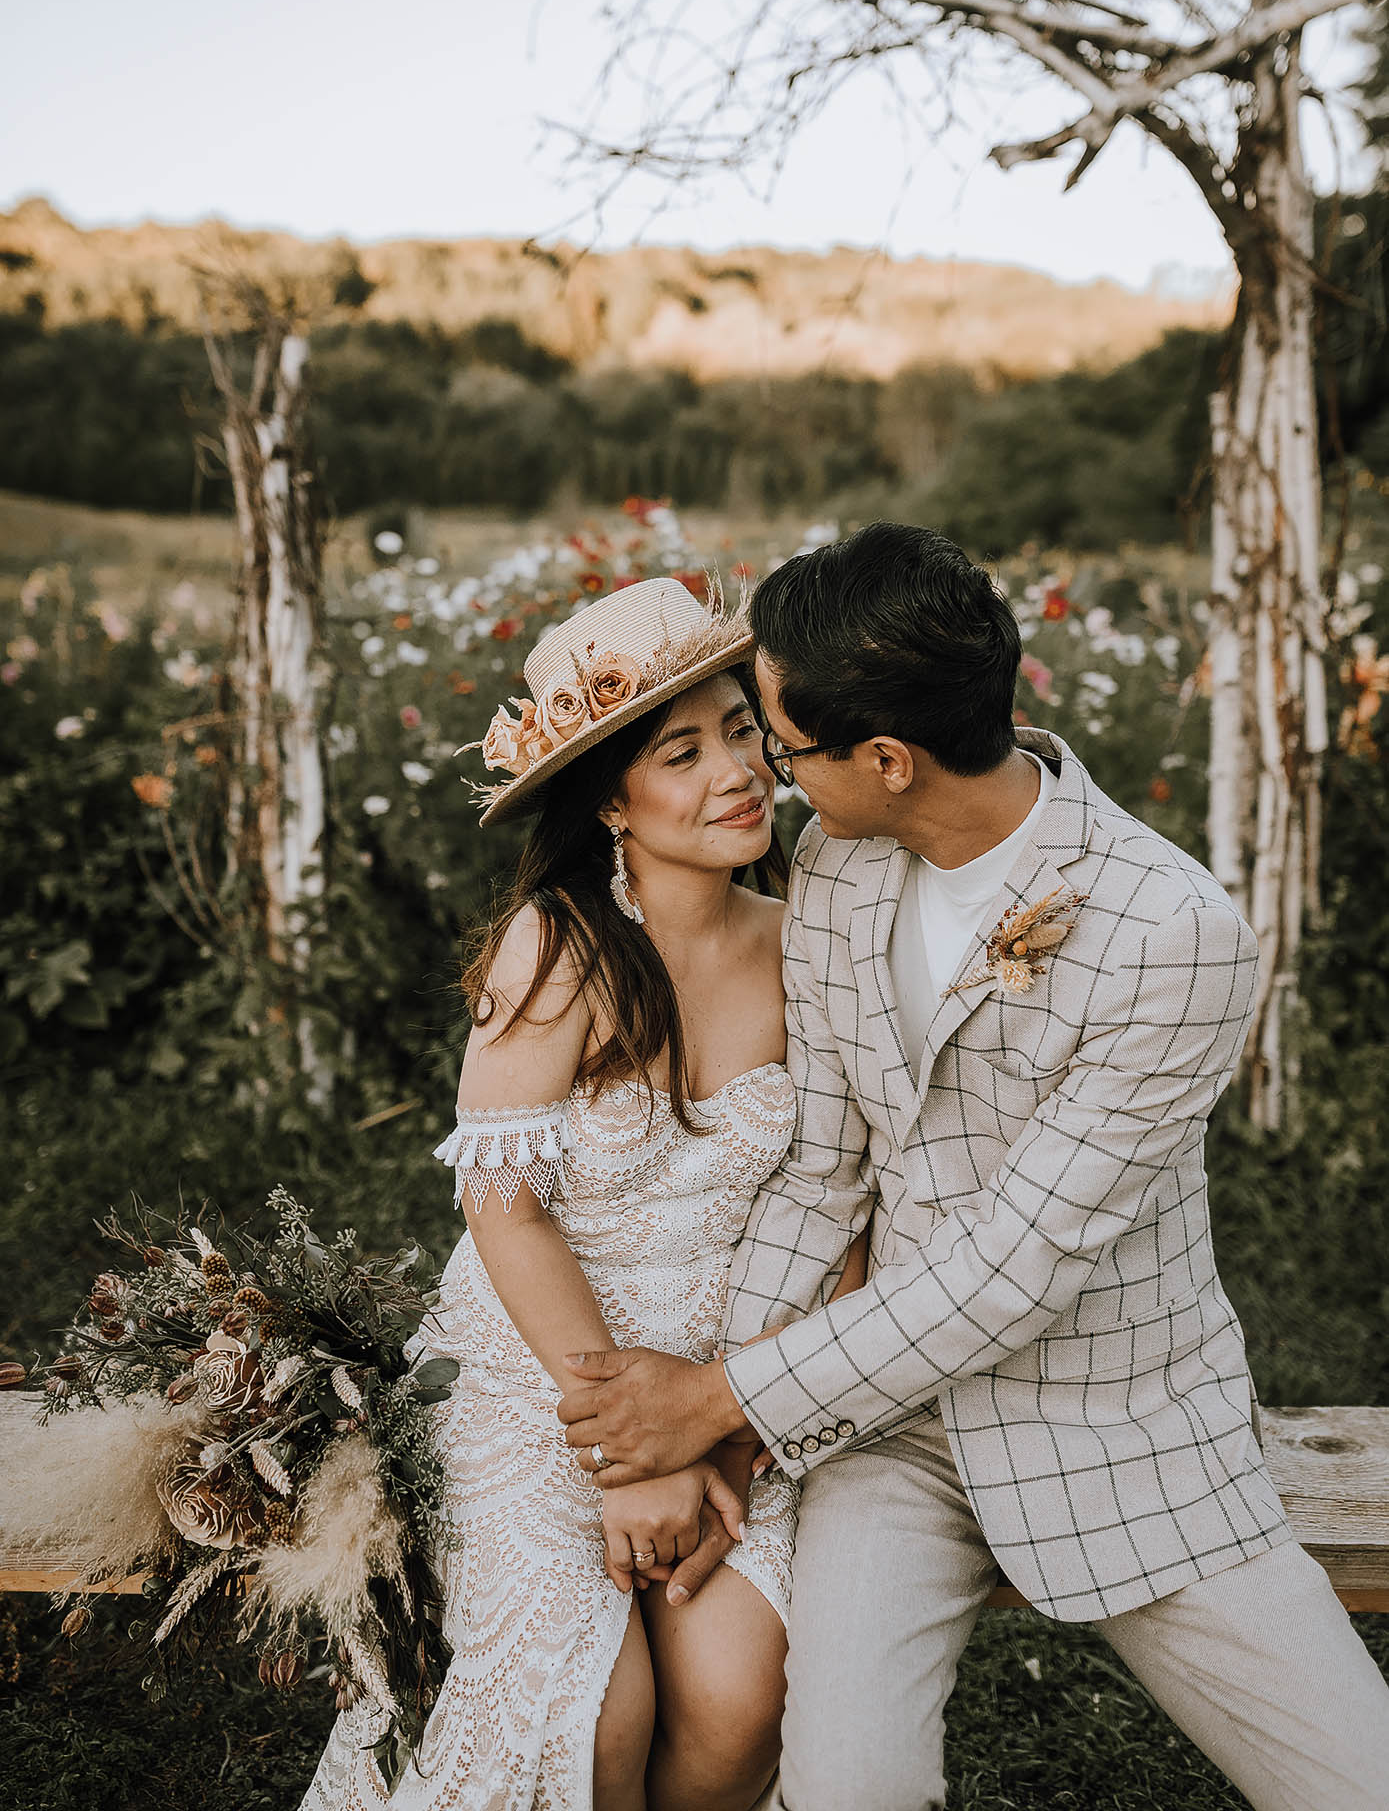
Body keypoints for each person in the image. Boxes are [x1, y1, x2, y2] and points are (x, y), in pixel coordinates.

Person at [557, 523, 1389, 1811]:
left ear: (888, 759)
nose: (769, 778)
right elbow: (822, 1173)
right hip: (886, 1440)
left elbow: (1013, 1270)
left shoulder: (1176, 935)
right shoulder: (839, 864)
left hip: (1120, 1428)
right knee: (846, 1792)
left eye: (781, 746)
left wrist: (721, 1396)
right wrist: (720, 1432)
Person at [299, 574, 865, 1811]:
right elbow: (504, 1210)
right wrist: (626, 1454)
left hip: (727, 1380)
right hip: (540, 1377)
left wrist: (728, 1420)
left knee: (737, 1703)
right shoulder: (554, 948)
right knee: (597, 1711)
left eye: (738, 731)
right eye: (683, 750)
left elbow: (839, 1199)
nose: (737, 772)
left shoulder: (803, 939)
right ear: (611, 797)